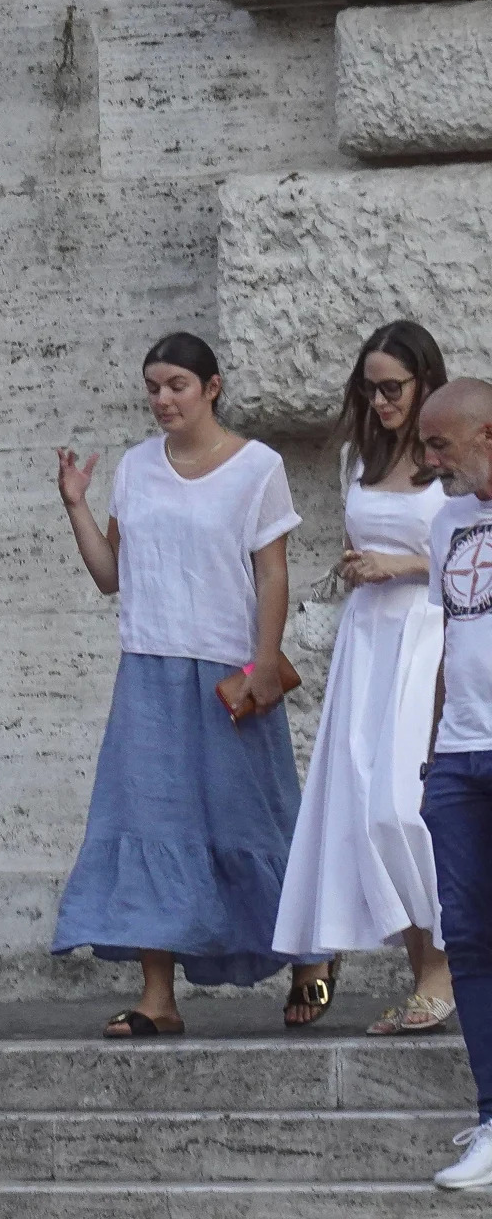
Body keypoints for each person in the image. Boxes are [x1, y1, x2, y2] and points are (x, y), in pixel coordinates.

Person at [50, 331, 327, 1036]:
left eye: (176, 384)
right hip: (147, 666)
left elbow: (272, 572)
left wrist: (265, 661)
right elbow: (112, 576)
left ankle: (309, 957)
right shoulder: (138, 468)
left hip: (229, 670)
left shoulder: (258, 467)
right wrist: (76, 504)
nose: (162, 399)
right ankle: (157, 997)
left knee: (253, 816)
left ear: (212, 387)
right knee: (149, 823)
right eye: (152, 387)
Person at [273, 321, 455, 1031]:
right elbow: (360, 542)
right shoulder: (358, 457)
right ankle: (426, 977)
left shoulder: (453, 458)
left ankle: (442, 972)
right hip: (367, 640)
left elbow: (476, 552)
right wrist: (359, 566)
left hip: (427, 636)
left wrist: (400, 567)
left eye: (392, 388)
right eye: (369, 388)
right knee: (364, 809)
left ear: (425, 384)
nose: (380, 402)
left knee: (402, 806)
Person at [418, 377, 492, 1189]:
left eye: (442, 445)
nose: (430, 460)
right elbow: (451, 636)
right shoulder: (448, 522)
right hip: (460, 756)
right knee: (469, 939)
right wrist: (435, 749)